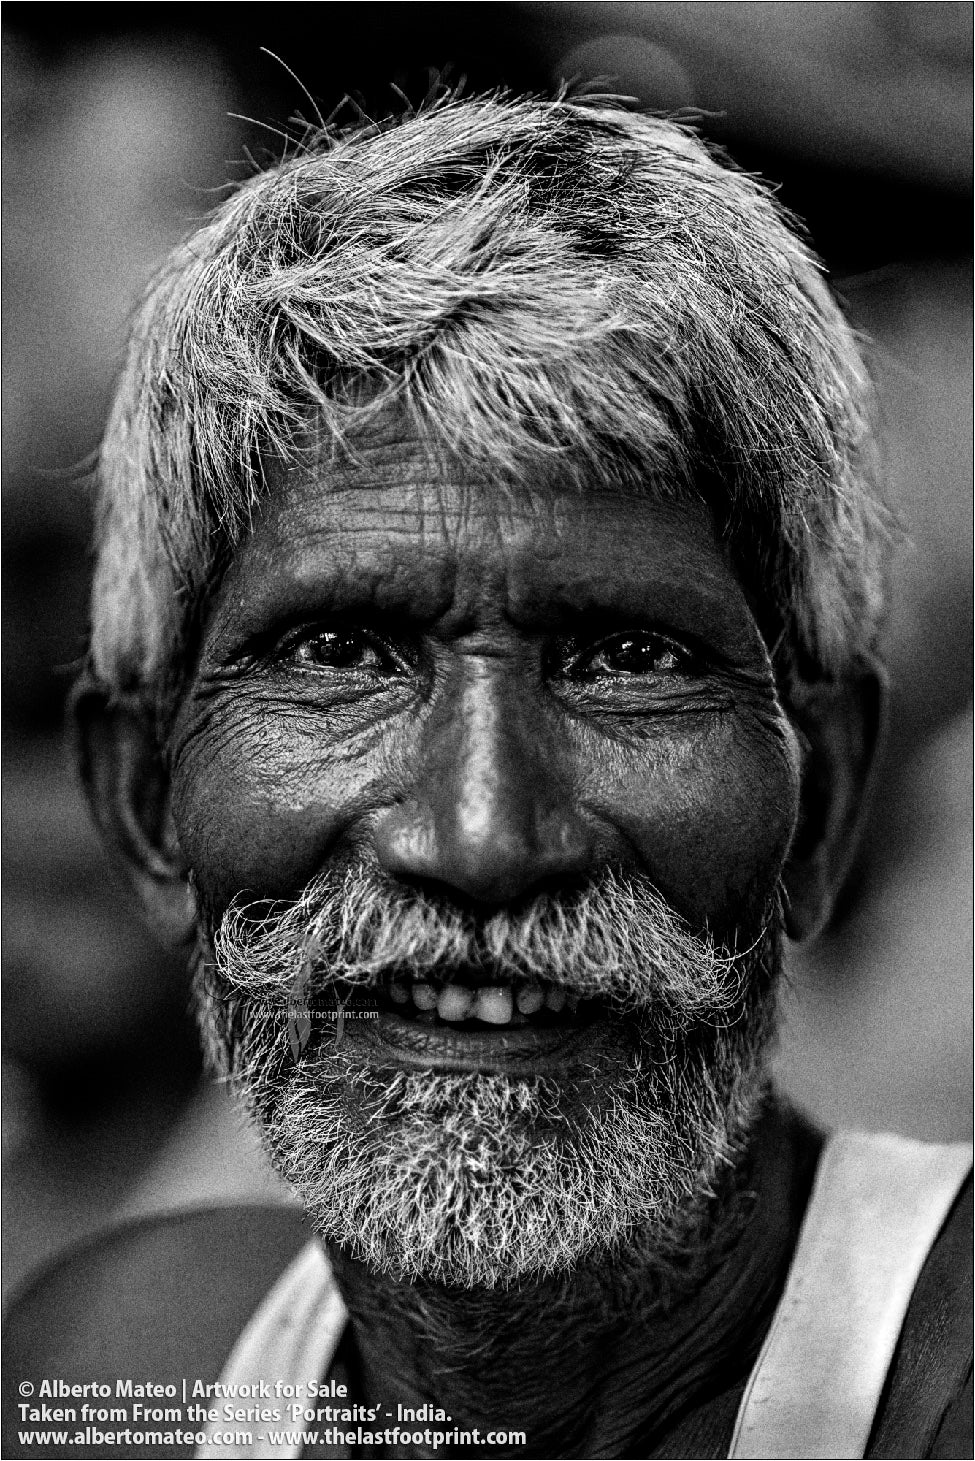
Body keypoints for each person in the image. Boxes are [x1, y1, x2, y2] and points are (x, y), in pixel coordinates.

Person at [3, 92, 971, 1461]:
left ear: (827, 793)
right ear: (149, 807)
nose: (479, 836)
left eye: (627, 657)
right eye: (340, 650)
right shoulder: (112, 1379)